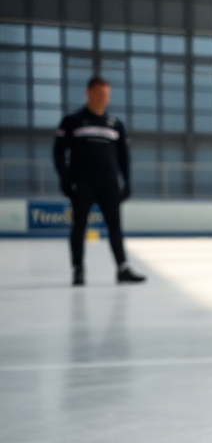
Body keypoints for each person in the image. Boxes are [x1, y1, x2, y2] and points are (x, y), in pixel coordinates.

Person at [52, 76, 146, 286]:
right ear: (88, 93)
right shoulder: (72, 121)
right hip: (82, 183)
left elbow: (124, 156)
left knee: (115, 226)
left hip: (109, 184)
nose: (103, 98)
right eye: (99, 94)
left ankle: (122, 268)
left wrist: (127, 181)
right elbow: (58, 152)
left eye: (106, 95)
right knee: (79, 226)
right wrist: (64, 177)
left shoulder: (115, 125)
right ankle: (78, 269)